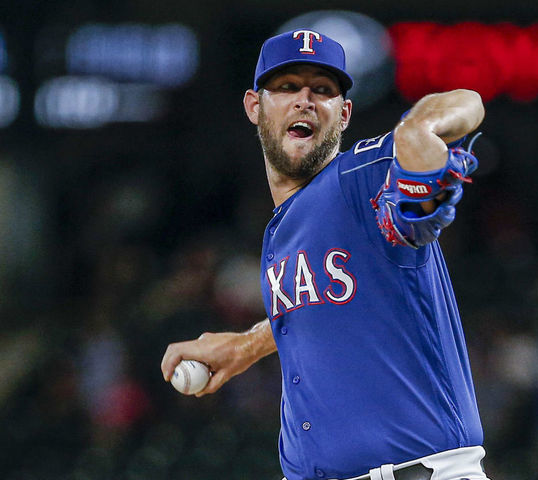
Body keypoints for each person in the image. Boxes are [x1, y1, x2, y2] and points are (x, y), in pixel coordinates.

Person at [162, 29, 487, 480]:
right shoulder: (279, 229)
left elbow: (468, 100)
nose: (305, 100)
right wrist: (246, 345)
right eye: (287, 87)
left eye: (323, 90)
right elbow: (330, 312)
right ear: (254, 107)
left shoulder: (362, 178)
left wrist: (421, 126)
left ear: (344, 113)